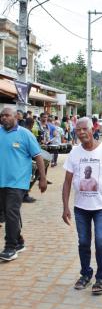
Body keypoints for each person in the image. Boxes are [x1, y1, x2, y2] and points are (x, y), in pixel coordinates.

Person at [62, 117, 102, 294]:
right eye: (78, 130)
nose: (81, 133)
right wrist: (65, 206)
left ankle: (101, 277)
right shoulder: (74, 153)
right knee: (84, 242)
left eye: (84, 129)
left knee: (101, 241)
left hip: (101, 206)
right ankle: (86, 274)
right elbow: (67, 181)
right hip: (81, 208)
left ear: (92, 130)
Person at [0, 108, 47, 261]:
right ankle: (19, 241)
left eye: (7, 115)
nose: (4, 118)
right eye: (2, 116)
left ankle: (10, 247)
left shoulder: (25, 134)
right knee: (8, 213)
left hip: (18, 182)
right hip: (2, 181)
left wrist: (43, 178)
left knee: (12, 212)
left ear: (15, 117)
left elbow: (38, 157)